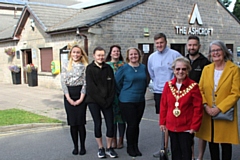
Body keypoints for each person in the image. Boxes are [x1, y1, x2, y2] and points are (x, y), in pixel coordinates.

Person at [196, 40, 240, 160]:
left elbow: (235, 93)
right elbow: (200, 90)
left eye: (218, 50)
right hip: (208, 112)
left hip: (225, 112)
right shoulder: (207, 69)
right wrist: (206, 106)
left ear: (224, 52)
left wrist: (219, 108)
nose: (215, 53)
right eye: (212, 51)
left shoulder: (234, 69)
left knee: (226, 144)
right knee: (212, 143)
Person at [160, 57, 203, 160]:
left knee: (186, 153)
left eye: (184, 69)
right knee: (175, 152)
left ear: (188, 70)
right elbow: (163, 105)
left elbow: (198, 108)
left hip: (186, 127)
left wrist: (194, 126)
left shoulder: (193, 86)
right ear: (174, 70)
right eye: (178, 69)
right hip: (171, 125)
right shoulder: (168, 85)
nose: (180, 71)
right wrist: (162, 122)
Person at [147, 33, 182, 158]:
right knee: (163, 121)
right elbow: (152, 74)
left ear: (166, 42)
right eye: (157, 43)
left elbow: (181, 71)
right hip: (158, 92)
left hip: (173, 92)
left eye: (161, 42)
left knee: (175, 118)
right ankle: (164, 148)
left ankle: (176, 147)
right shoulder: (151, 57)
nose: (159, 45)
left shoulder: (175, 55)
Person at [85, 46, 118, 158]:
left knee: (110, 124)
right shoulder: (89, 69)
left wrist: (108, 100)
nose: (101, 57)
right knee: (97, 123)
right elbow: (91, 88)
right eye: (98, 55)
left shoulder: (108, 68)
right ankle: (101, 148)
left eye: (102, 55)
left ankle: (109, 147)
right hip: (94, 101)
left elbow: (112, 85)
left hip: (107, 101)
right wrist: (102, 101)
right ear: (94, 56)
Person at [115, 47, 147, 157]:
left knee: (136, 125)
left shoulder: (143, 67)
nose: (133, 56)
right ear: (128, 56)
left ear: (139, 55)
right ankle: (130, 147)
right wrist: (123, 94)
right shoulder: (123, 68)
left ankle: (135, 146)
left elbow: (145, 82)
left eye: (135, 54)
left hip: (140, 100)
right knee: (132, 124)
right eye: (131, 54)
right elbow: (116, 83)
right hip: (127, 101)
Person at [185, 35, 211, 160]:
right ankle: (191, 156)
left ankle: (200, 157)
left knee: (201, 131)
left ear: (199, 46)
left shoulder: (205, 62)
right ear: (187, 46)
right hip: (185, 101)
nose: (192, 47)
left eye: (194, 45)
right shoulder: (183, 60)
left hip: (200, 100)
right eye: (190, 45)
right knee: (189, 131)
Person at [61, 45, 88, 156]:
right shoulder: (65, 65)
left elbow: (86, 83)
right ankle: (75, 146)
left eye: (78, 52)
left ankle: (82, 146)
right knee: (73, 124)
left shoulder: (85, 66)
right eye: (74, 52)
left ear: (81, 54)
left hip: (81, 93)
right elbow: (63, 83)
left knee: (80, 123)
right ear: (70, 54)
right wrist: (69, 99)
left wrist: (81, 98)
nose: (76, 54)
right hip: (69, 94)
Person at [105, 45, 126, 149]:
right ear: (110, 53)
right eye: (114, 51)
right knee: (112, 119)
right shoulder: (106, 65)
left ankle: (121, 139)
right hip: (111, 96)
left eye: (118, 51)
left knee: (122, 119)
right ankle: (113, 139)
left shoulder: (124, 65)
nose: (116, 53)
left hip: (122, 94)